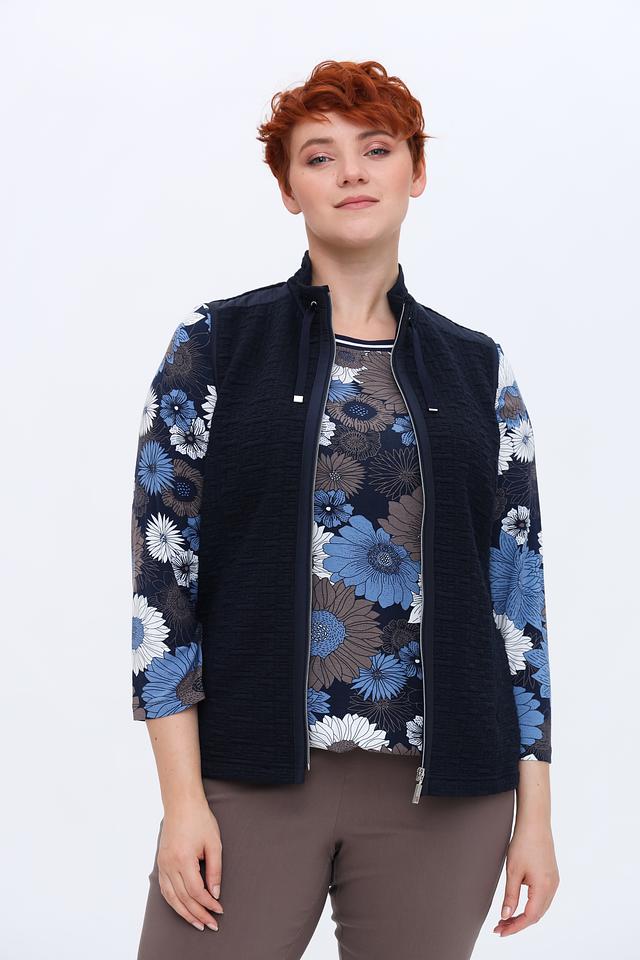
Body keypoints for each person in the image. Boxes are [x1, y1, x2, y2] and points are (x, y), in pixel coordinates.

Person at [132, 59, 560, 959]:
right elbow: (162, 586)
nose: (352, 173)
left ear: (417, 172)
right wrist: (182, 801)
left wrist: (536, 816)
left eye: (377, 149)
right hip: (248, 778)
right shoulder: (215, 346)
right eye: (319, 156)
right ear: (289, 190)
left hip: (447, 795)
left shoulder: (479, 370)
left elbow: (516, 598)